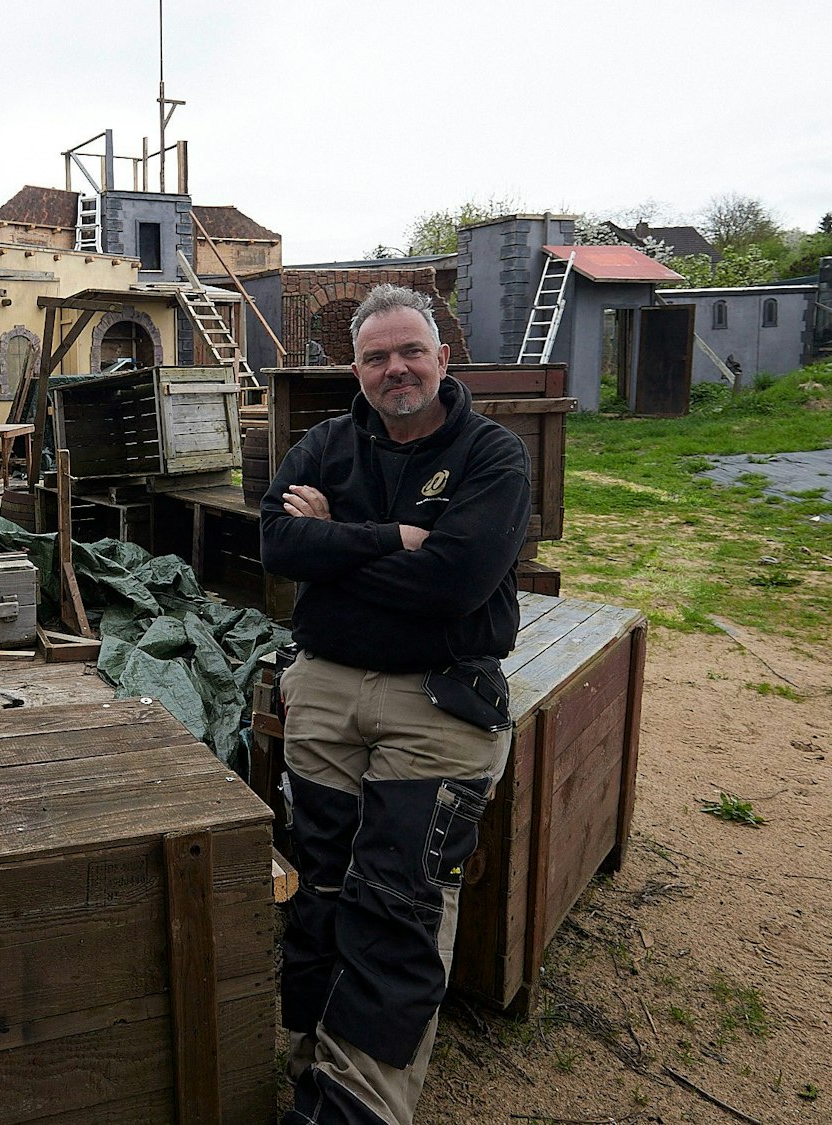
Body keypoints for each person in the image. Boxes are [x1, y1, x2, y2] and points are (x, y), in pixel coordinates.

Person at [260, 284, 531, 1125]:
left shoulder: (493, 455)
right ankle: (308, 1046)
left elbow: (456, 582)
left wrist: (333, 543)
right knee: (316, 881)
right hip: (326, 692)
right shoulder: (325, 443)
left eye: (411, 350)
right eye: (376, 356)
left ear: (443, 358)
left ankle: (353, 1106)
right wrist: (392, 537)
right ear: (356, 368)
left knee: (401, 901)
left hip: (438, 703)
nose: (396, 368)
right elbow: (275, 541)